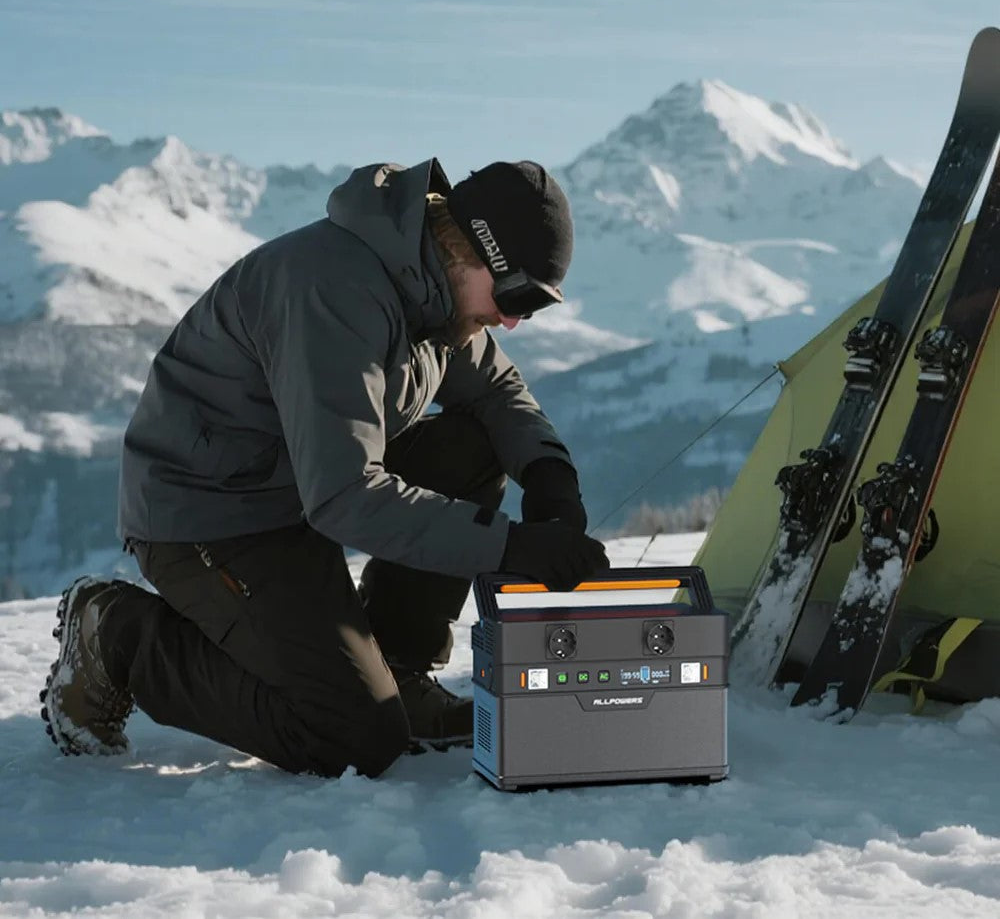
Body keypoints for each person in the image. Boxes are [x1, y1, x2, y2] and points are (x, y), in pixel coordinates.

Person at [40, 158, 609, 778]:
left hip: (294, 497)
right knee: (351, 735)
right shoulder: (335, 293)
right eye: (517, 294)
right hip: (211, 515)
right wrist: (509, 545)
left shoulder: (433, 289)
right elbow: (345, 496)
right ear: (470, 248)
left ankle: (399, 672)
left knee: (471, 444)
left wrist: (552, 481)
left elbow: (496, 391)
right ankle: (118, 636)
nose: (513, 319)